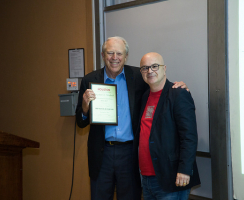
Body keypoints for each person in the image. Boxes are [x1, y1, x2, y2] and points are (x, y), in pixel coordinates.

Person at [76, 37, 188, 200]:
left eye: (119, 53)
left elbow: (159, 85)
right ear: (102, 55)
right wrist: (85, 107)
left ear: (126, 56)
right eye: (110, 53)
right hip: (102, 154)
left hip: (130, 153)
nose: (115, 57)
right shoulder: (90, 80)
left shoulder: (139, 76)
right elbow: (80, 122)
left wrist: (178, 87)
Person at [135, 52, 200, 200]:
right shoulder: (144, 96)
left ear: (164, 68)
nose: (150, 71)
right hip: (146, 177)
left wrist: (184, 170)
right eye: (145, 68)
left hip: (171, 178)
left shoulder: (178, 94)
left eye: (154, 66)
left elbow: (189, 137)